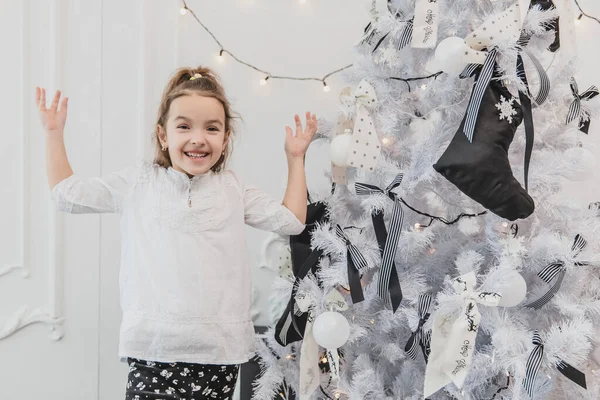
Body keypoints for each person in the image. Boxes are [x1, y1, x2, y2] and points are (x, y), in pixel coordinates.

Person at [37, 66, 317, 399]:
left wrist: (295, 157)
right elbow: (67, 195)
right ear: (163, 135)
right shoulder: (139, 183)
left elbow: (291, 221)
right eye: (184, 126)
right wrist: (54, 134)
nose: (198, 138)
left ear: (226, 138)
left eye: (211, 128)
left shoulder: (233, 188)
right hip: (153, 348)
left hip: (219, 352)